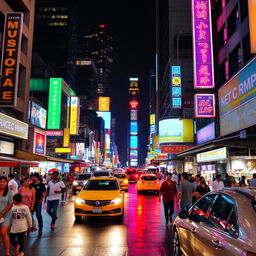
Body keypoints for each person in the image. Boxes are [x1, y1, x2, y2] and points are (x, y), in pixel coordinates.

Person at [0, 176, 13, 256]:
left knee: (3, 233)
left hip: (6, 215)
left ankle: (7, 252)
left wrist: (2, 213)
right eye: (0, 181)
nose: (1, 183)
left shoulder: (9, 192)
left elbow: (11, 204)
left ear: (6, 183)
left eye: (3, 182)